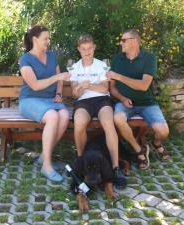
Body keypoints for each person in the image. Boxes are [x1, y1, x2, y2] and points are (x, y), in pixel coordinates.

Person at [107, 28, 170, 170]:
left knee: (164, 131)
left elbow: (143, 86)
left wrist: (119, 76)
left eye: (124, 40)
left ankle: (157, 143)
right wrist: (122, 98)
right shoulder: (117, 59)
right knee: (118, 118)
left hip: (147, 103)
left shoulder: (149, 58)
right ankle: (139, 150)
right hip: (125, 103)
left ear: (135, 42)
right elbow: (112, 88)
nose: (120, 43)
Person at [70, 34, 127, 189]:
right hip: (83, 101)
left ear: (94, 47)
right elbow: (74, 94)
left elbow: (104, 88)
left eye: (89, 48)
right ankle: (81, 162)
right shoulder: (75, 67)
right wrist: (78, 89)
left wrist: (88, 85)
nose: (87, 52)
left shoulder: (102, 65)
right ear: (79, 50)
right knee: (79, 123)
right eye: (83, 49)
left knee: (109, 123)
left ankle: (115, 168)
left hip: (102, 100)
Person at [18, 25, 70, 182]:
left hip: (50, 100)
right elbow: (35, 85)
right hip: (29, 100)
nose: (48, 41)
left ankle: (43, 156)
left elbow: (60, 79)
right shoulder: (25, 59)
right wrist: (57, 78)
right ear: (35, 39)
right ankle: (47, 166)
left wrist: (59, 93)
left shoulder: (52, 56)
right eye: (45, 38)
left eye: (49, 38)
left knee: (65, 115)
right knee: (53, 117)